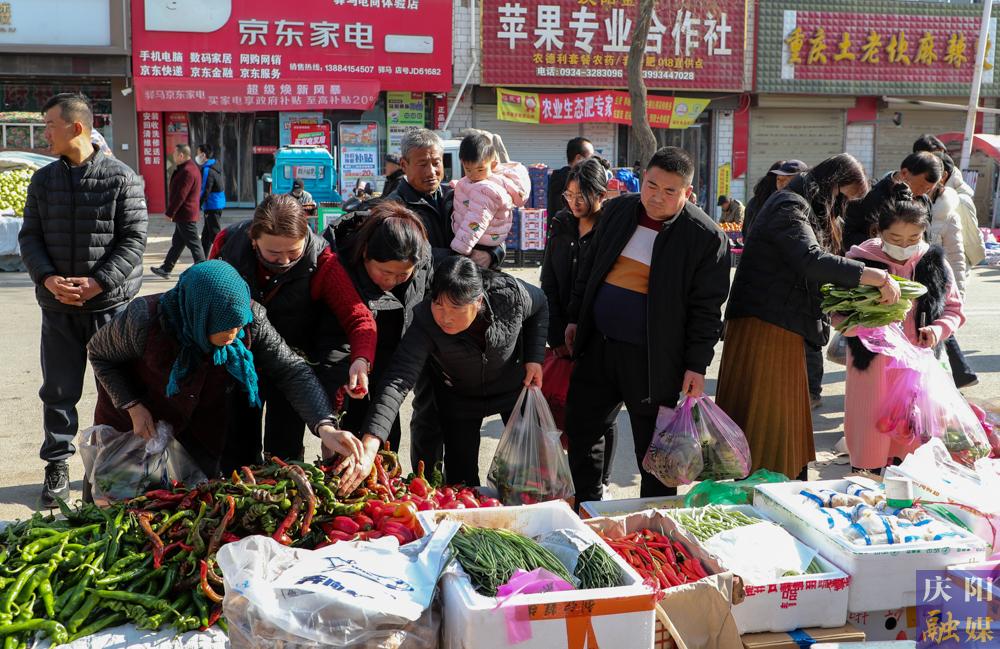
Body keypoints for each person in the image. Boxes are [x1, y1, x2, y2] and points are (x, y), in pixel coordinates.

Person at [87, 261, 364, 481]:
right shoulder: (143, 319)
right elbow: (99, 354)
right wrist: (132, 405)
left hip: (199, 429)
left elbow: (291, 370)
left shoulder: (251, 320)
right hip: (136, 427)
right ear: (199, 316)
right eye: (224, 327)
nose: (234, 335)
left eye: (238, 326)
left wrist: (325, 426)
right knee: (117, 499)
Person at [717, 153, 902, 480]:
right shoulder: (789, 205)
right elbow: (811, 260)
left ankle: (778, 483)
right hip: (765, 324)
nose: (842, 207)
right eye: (843, 198)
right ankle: (765, 487)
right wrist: (875, 276)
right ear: (831, 185)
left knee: (780, 416)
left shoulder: (799, 206)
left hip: (781, 322)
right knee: (768, 418)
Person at [563, 147, 731, 503]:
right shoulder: (618, 211)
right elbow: (590, 267)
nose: (656, 197)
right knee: (583, 431)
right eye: (651, 186)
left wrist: (696, 365)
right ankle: (588, 506)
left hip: (654, 360)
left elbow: (707, 311)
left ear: (687, 192)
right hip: (598, 346)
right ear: (642, 179)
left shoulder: (705, 237)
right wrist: (576, 316)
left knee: (656, 453)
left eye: (670, 191)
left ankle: (654, 519)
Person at [18, 92, 148, 506]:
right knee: (59, 390)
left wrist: (99, 283)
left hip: (109, 307)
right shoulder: (43, 181)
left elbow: (134, 240)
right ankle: (57, 464)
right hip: (58, 306)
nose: (44, 133)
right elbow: (30, 237)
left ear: (76, 127)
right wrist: (48, 278)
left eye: (49, 125)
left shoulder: (121, 178)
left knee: (119, 389)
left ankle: (120, 467)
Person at [340, 256, 548, 492]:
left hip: (512, 391)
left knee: (531, 473)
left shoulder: (509, 295)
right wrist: (371, 441)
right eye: (438, 304)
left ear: (478, 301)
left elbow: (540, 304)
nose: (445, 317)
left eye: (456, 308)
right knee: (461, 481)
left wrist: (534, 357)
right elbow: (398, 380)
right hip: (459, 399)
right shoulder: (425, 321)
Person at [208, 194, 377, 468]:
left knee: (284, 456)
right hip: (237, 361)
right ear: (254, 239)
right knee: (236, 450)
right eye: (273, 254)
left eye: (293, 253)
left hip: (292, 364)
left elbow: (358, 318)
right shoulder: (227, 245)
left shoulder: (321, 259)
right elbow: (205, 296)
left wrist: (361, 359)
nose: (284, 261)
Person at [843, 187, 964, 472]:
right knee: (869, 426)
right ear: (879, 232)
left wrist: (937, 330)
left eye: (914, 238)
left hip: (916, 363)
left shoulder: (933, 262)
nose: (905, 246)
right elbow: (837, 313)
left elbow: (955, 310)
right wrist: (863, 328)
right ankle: (867, 475)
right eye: (896, 239)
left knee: (912, 427)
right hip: (871, 364)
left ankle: (909, 475)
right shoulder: (858, 262)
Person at [310, 201, 432, 455]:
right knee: (346, 444)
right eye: (385, 272)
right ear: (365, 253)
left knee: (385, 436)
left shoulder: (422, 259)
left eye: (402, 275)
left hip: (392, 357)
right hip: (346, 358)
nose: (392, 281)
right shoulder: (336, 263)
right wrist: (340, 385)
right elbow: (328, 336)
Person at [540, 158, 617, 486]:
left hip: (598, 332)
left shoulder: (610, 229)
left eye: (582, 196)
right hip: (563, 327)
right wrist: (556, 332)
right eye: (569, 195)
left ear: (601, 195)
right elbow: (549, 280)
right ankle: (568, 479)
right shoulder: (561, 223)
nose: (574, 203)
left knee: (601, 413)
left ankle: (602, 481)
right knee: (565, 406)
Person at [930, 154, 978, 389]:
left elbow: (956, 256)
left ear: (942, 178)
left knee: (939, 331)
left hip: (939, 285)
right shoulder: (906, 204)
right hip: (913, 284)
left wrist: (958, 290)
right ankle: (961, 374)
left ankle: (955, 376)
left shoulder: (950, 210)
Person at [450, 133, 529, 258]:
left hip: (477, 242)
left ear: (493, 164)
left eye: (480, 169)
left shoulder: (486, 191)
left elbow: (475, 221)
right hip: (480, 239)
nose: (473, 174)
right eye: (468, 169)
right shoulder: (480, 182)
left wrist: (459, 249)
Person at [843, 152, 942, 251]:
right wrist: (884, 245)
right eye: (920, 186)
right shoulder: (869, 195)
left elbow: (927, 240)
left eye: (928, 189)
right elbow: (848, 236)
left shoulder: (924, 201)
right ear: (904, 173)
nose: (922, 192)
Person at [151, 144, 205, 280]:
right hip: (184, 214)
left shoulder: (187, 171)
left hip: (185, 214)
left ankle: (204, 270)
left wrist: (170, 212)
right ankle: (166, 268)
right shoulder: (188, 168)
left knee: (194, 244)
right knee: (177, 243)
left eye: (175, 154)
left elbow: (181, 195)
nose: (173, 156)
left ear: (181, 155)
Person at [743, 160, 808, 239]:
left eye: (786, 179)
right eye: (779, 179)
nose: (782, 184)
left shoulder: (758, 200)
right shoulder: (780, 204)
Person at [547, 137, 594, 227]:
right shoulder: (574, 181)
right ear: (579, 158)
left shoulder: (558, 176)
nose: (593, 162)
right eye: (591, 157)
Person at [197, 143, 226, 257]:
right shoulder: (215, 166)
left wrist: (198, 205)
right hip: (215, 204)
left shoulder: (207, 170)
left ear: (203, 155)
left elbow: (204, 190)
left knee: (215, 235)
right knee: (206, 236)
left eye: (198, 153)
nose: (197, 156)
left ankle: (224, 258)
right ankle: (202, 259)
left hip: (212, 205)